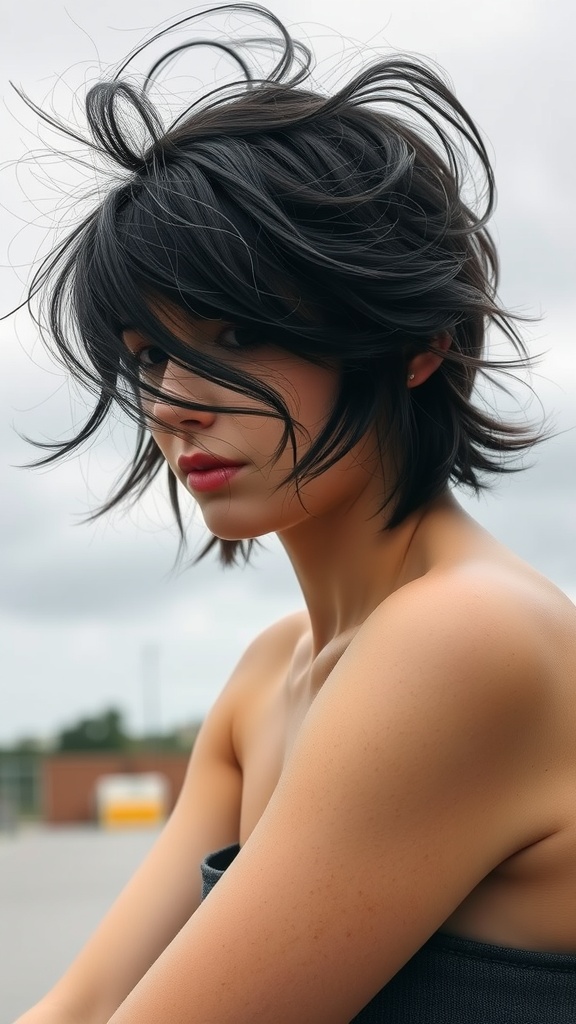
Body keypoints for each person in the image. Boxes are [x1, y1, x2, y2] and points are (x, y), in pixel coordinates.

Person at [13, 5, 576, 1022]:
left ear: (419, 345)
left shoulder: (467, 638)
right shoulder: (269, 676)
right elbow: (86, 1002)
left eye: (237, 332)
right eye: (149, 355)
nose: (173, 402)